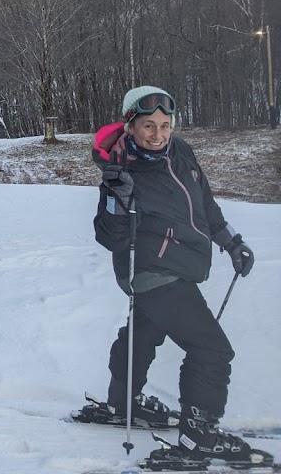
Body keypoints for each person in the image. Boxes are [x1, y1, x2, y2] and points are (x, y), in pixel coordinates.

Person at [92, 85, 256, 463]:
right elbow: (109, 237)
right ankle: (199, 436)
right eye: (148, 125)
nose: (158, 134)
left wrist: (232, 241)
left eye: (165, 124)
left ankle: (123, 402)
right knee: (211, 349)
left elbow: (205, 203)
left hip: (182, 263)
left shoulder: (180, 151)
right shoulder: (121, 171)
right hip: (152, 271)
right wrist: (119, 199)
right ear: (130, 125)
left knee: (144, 333)